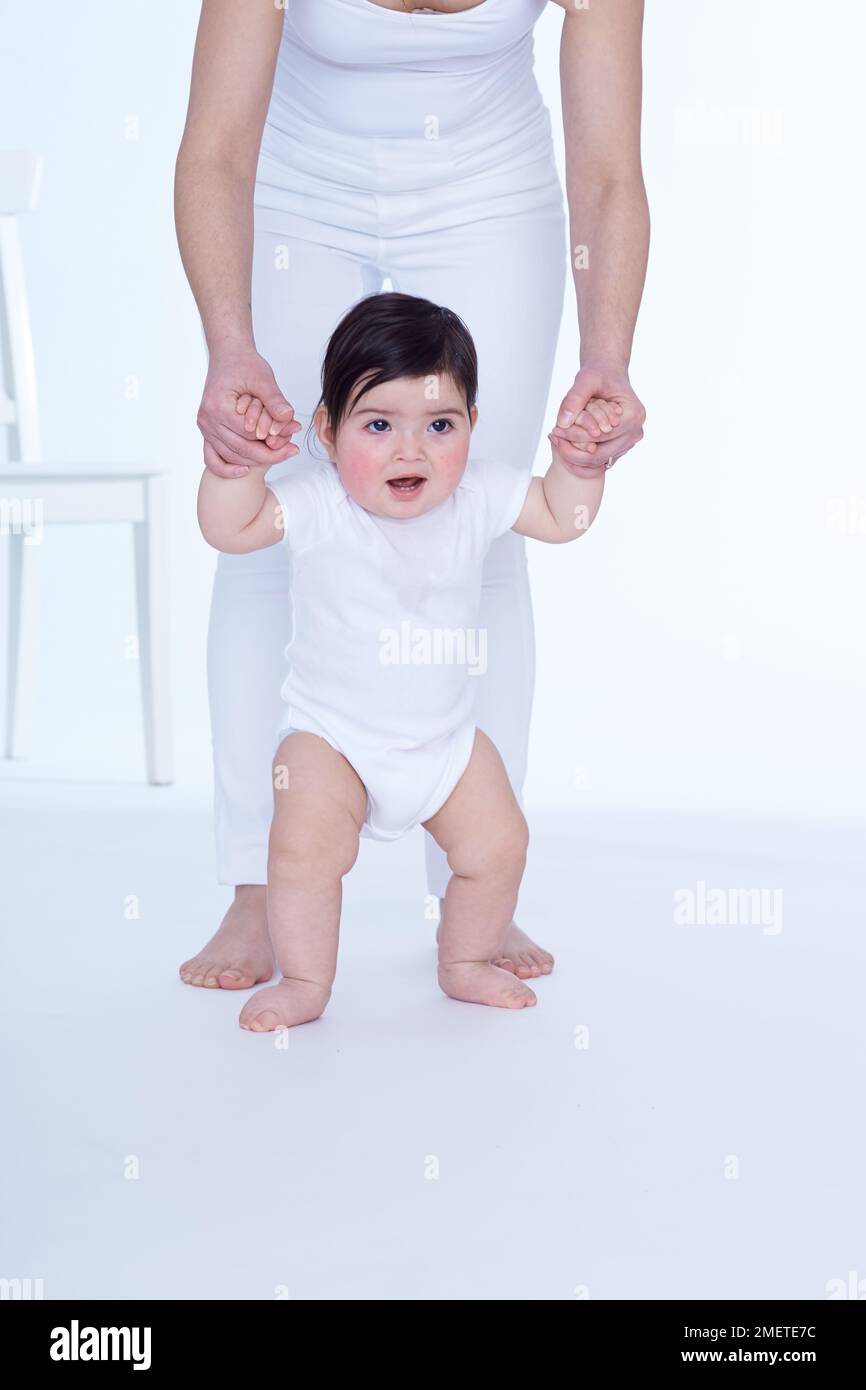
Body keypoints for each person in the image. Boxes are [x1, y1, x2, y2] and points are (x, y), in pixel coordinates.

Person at [175, 0, 648, 992]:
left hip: (488, 185)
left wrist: (606, 357)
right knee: (284, 498)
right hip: (294, 182)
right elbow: (215, 150)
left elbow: (606, 173)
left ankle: (479, 878)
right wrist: (230, 346)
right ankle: (254, 882)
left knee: (481, 522)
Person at [197, 293, 611, 1031]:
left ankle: (465, 959)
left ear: (472, 428)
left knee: (500, 843)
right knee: (301, 853)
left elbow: (561, 518)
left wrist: (578, 464)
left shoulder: (479, 493)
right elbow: (231, 531)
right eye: (379, 425)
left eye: (439, 425)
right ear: (326, 431)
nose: (410, 450)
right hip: (332, 740)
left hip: (445, 745)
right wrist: (234, 470)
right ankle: (307, 980)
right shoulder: (321, 500)